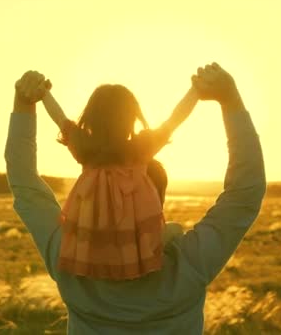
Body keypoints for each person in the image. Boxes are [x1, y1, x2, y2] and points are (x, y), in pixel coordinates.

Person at [4, 62, 266, 334]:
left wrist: (24, 104)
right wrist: (230, 99)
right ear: (156, 202)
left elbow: (24, 182)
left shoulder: (69, 259)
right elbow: (244, 194)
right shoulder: (189, 264)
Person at [33, 78, 198, 280]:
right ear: (130, 118)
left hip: (92, 226)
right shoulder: (139, 148)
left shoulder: (85, 147)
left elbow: (59, 118)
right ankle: (135, 270)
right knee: (168, 234)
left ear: (92, 116)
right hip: (135, 236)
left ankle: (98, 269)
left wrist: (44, 94)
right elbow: (174, 120)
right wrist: (195, 91)